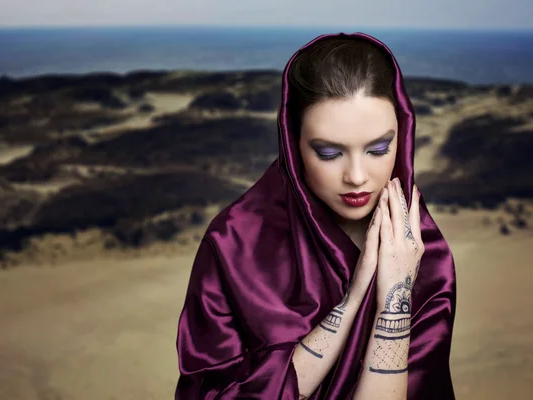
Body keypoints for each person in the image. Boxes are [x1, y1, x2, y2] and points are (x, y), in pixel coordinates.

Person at [174, 32, 457, 400]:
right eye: (328, 153)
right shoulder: (232, 246)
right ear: (293, 145)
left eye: (378, 149)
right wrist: (353, 300)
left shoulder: (423, 253)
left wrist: (393, 299)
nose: (356, 176)